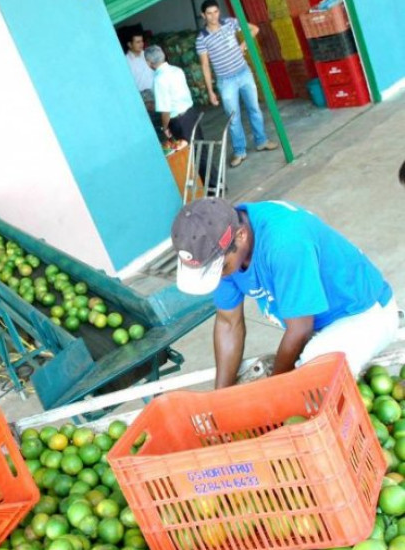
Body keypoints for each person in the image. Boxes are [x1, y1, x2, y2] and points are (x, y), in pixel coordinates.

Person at [171, 198, 398, 389]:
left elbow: (300, 330)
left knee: (313, 381)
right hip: (317, 327)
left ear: (241, 236)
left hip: (364, 314)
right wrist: (221, 397)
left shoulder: (285, 242)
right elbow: (228, 323)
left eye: (221, 269)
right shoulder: (217, 244)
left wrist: (276, 388)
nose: (220, 276)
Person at [197, 0, 278, 168]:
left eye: (216, 12)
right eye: (209, 13)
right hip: (226, 81)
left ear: (219, 12)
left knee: (254, 109)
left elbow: (254, 29)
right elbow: (205, 65)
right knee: (233, 118)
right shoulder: (202, 38)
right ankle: (240, 151)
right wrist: (210, 91)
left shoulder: (230, 23)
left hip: (243, 73)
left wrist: (243, 45)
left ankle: (261, 141)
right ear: (203, 15)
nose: (213, 16)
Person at [145, 45, 218, 194]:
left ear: (149, 62)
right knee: (201, 151)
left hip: (179, 121)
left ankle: (212, 189)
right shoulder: (177, 70)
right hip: (190, 113)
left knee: (193, 156)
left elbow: (165, 110)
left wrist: (165, 127)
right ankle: (216, 185)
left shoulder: (159, 79)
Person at [125, 31, 155, 106]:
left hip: (157, 91)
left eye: (142, 41)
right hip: (144, 99)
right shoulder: (126, 62)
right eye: (138, 42)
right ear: (130, 44)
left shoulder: (148, 54)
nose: (141, 44)